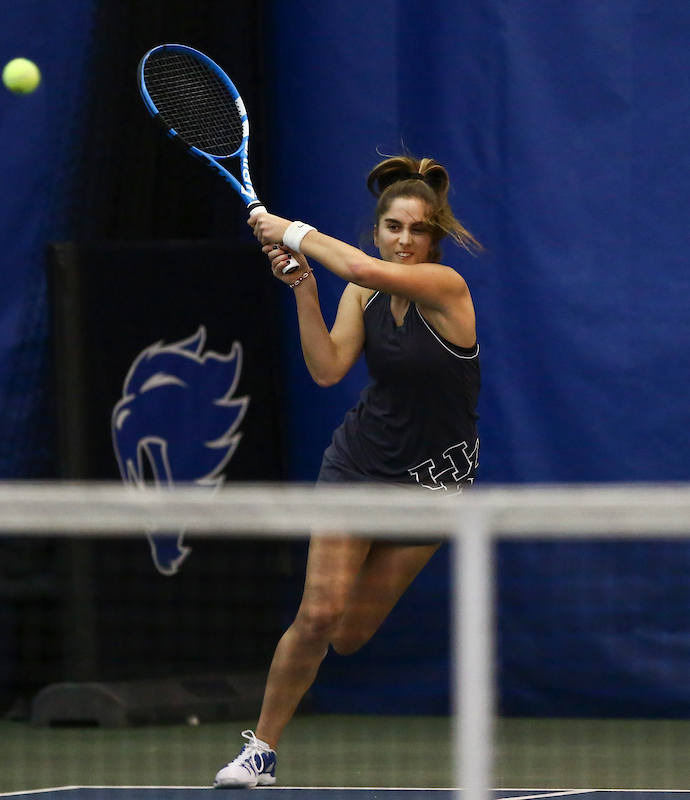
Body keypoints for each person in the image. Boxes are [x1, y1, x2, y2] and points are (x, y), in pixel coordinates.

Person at [212, 154, 484, 789]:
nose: (404, 240)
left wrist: (289, 229)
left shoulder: (446, 289)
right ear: (379, 227)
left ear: (434, 237)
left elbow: (358, 264)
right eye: (393, 227)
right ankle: (262, 752)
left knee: (351, 635)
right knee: (318, 614)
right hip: (358, 464)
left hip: (433, 484)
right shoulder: (360, 292)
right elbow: (329, 368)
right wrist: (305, 287)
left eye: (417, 230)